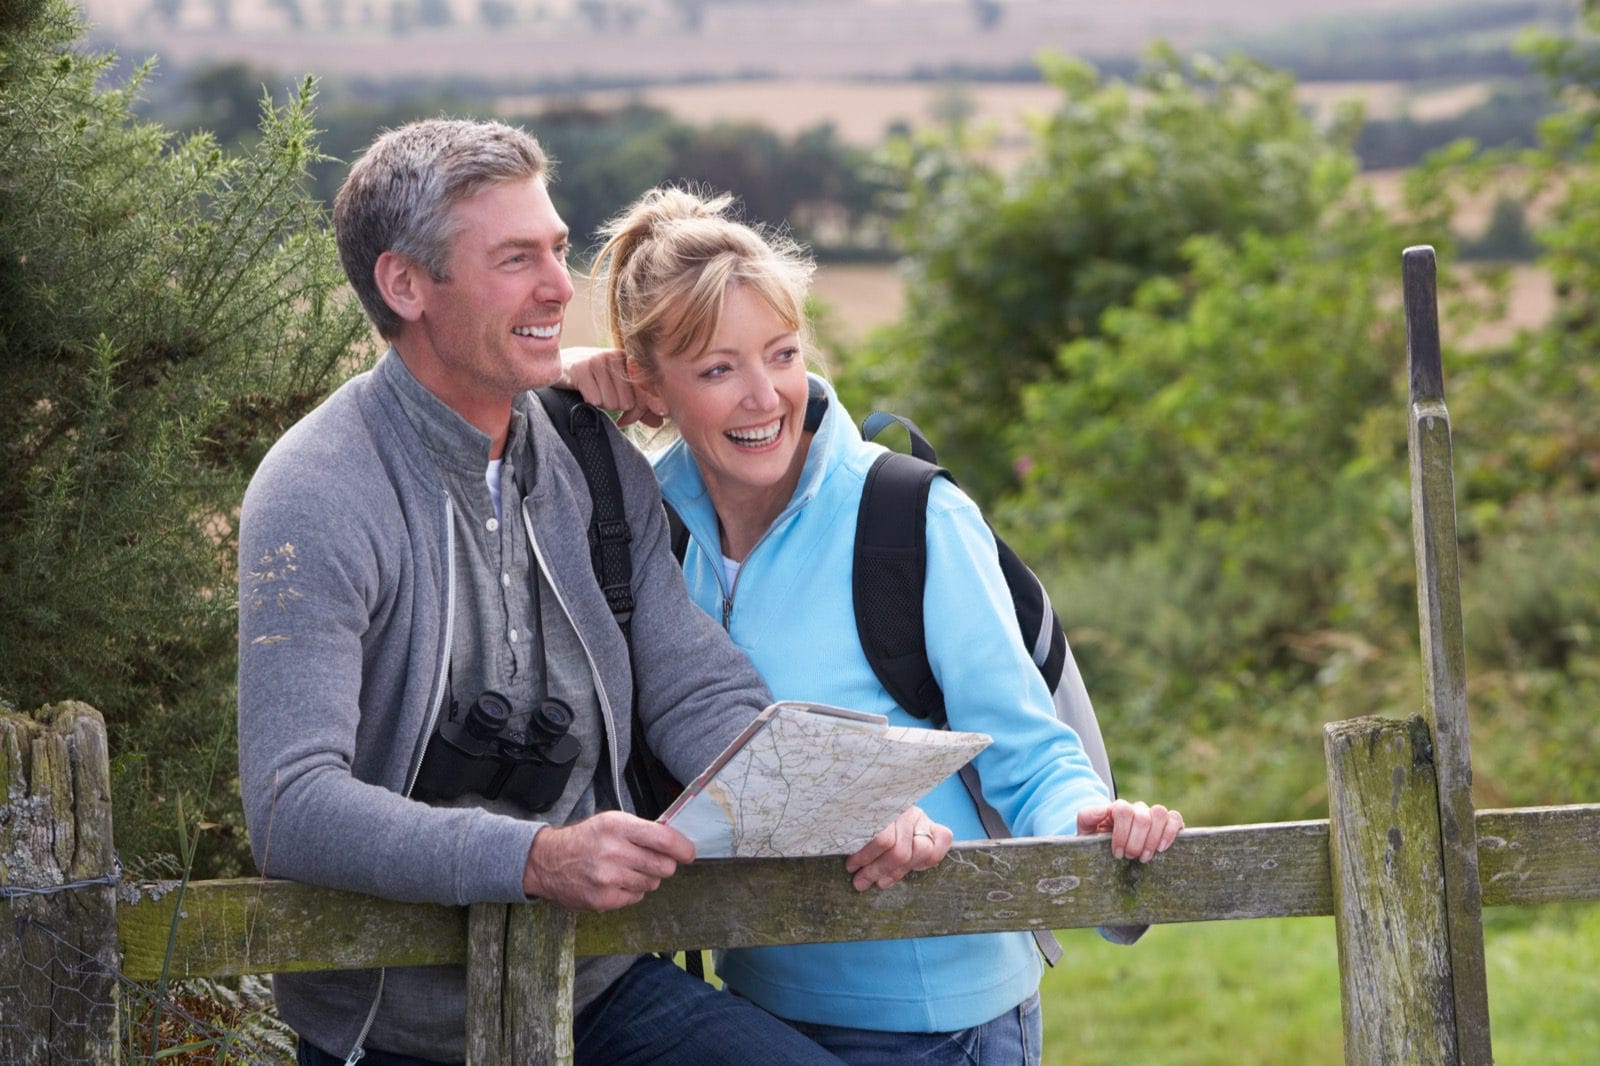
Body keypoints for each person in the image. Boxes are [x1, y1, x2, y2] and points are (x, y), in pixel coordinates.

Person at [235, 119, 946, 1066]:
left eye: (559, 250)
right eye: (515, 258)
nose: (561, 289)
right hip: (396, 1021)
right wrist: (534, 861)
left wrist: (840, 803)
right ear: (405, 285)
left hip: (602, 980)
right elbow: (293, 806)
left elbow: (696, 687)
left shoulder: (590, 456)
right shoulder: (318, 489)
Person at [562, 185, 1185, 1066]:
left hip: (940, 1016)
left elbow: (1024, 748)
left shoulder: (909, 517)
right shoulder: (647, 527)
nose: (762, 396)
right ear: (648, 382)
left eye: (780, 354)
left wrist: (1088, 815)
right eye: (716, 369)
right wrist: (562, 381)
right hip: (754, 1007)